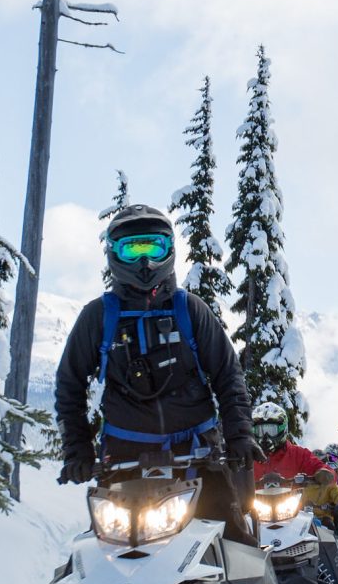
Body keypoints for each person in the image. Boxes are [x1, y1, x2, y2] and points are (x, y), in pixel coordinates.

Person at [53, 204, 259, 545]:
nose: (144, 261)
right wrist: (78, 451)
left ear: (169, 250)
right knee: (104, 555)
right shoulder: (98, 317)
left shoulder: (191, 310)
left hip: (198, 458)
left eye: (153, 247)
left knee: (237, 549)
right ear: (114, 255)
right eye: (132, 250)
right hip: (124, 465)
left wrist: (239, 436)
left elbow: (227, 376)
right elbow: (69, 386)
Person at [306, 468, 338, 548]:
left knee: (330, 525)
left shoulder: (331, 485)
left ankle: (335, 547)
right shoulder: (306, 484)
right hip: (305, 514)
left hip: (324, 515)